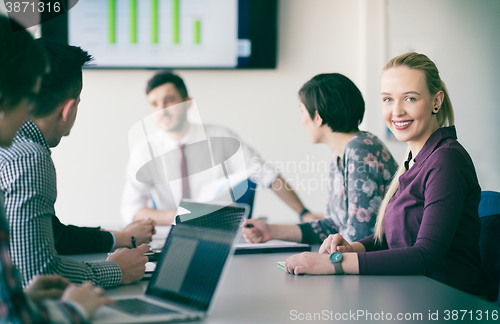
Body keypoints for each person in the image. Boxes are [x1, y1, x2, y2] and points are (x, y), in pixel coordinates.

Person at [284, 52, 487, 296]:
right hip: (410, 294)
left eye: (410, 98)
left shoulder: (446, 160)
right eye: (388, 99)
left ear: (436, 101)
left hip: (446, 303)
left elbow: (425, 256)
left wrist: (334, 263)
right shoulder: (413, 159)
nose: (397, 111)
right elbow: (391, 240)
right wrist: (352, 248)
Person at [0, 39, 150, 289]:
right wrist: (116, 270)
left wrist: (116, 238)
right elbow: (36, 274)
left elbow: (51, 233)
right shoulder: (27, 158)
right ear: (68, 109)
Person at [0, 15, 113, 323]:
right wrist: (77, 307)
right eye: (27, 95)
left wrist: (20, 297)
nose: (29, 110)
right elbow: (37, 273)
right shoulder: (27, 157)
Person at [121, 71, 322, 225]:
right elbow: (132, 209)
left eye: (169, 101)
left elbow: (267, 175)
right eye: (154, 104)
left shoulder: (221, 138)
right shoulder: (144, 151)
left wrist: (304, 213)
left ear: (188, 103)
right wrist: (180, 216)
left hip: (219, 229)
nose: (162, 110)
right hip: (170, 234)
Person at [243, 73, 398, 244]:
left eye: (303, 111)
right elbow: (332, 227)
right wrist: (271, 231)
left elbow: (360, 237)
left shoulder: (360, 149)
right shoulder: (340, 153)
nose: (303, 121)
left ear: (317, 117)